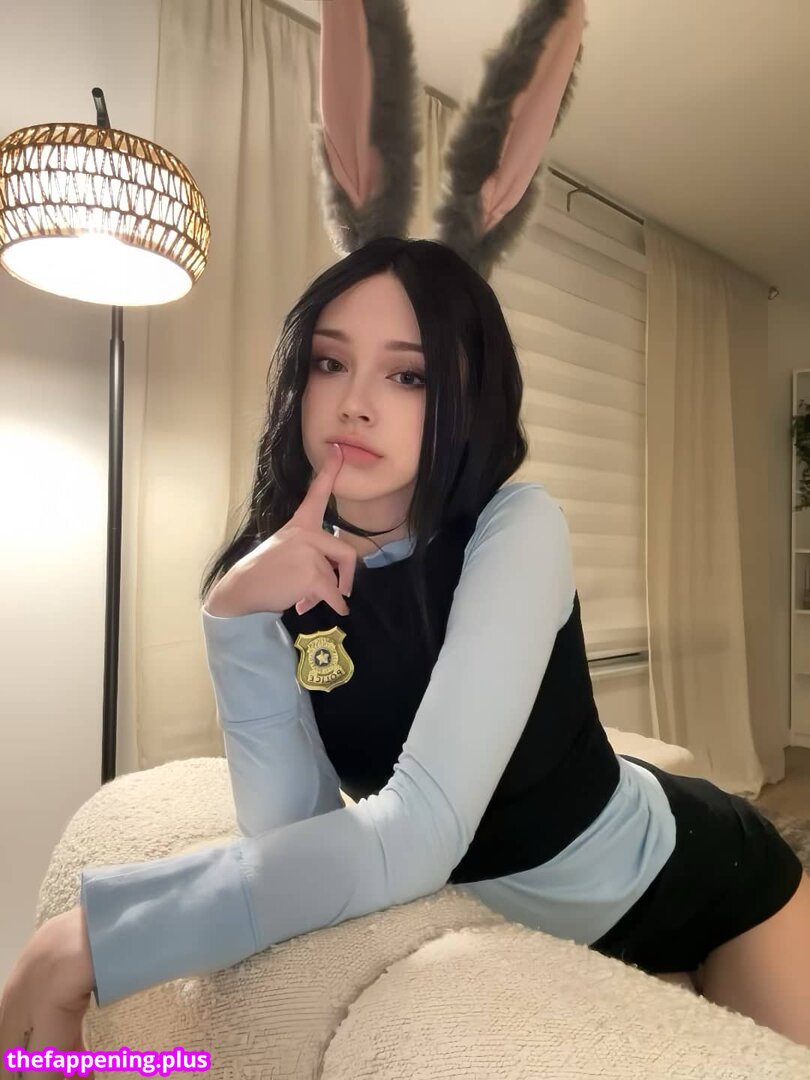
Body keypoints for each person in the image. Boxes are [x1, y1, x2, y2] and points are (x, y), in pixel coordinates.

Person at [1, 237, 809, 1066]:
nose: (354, 403)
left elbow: (422, 829)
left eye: (407, 376)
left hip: (687, 879)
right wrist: (232, 617)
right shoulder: (281, 571)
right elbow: (291, 833)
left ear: (467, 398)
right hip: (523, 924)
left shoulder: (518, 527)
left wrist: (104, 934)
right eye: (329, 363)